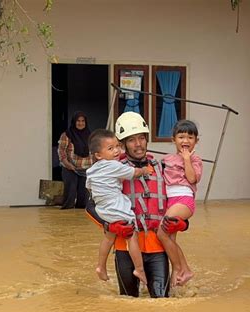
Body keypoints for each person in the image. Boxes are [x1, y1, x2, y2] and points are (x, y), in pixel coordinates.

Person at [86, 112, 189, 298]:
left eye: (142, 138)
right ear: (123, 144)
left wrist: (183, 224)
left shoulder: (163, 167)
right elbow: (91, 207)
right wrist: (109, 225)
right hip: (125, 247)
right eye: (132, 140)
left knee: (161, 301)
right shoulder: (111, 169)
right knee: (128, 301)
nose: (138, 143)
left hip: (157, 247)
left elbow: (180, 200)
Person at [86, 129, 150, 285]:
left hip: (102, 208)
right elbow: (133, 172)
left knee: (109, 237)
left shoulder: (91, 170)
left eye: (117, 146)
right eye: (110, 148)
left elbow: (89, 187)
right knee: (132, 235)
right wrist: (145, 170)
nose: (116, 151)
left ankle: (101, 266)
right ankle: (139, 269)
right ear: (99, 155)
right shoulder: (113, 166)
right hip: (116, 207)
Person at [157, 120, 202, 287]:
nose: (185, 141)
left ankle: (182, 268)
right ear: (173, 139)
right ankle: (177, 278)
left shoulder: (195, 160)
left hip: (184, 200)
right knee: (170, 240)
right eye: (181, 136)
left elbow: (191, 178)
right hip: (170, 202)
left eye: (190, 137)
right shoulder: (166, 159)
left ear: (196, 141)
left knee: (161, 233)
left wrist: (187, 159)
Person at [57, 111, 92, 209]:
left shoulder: (90, 135)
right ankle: (68, 219)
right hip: (70, 168)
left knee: (83, 197)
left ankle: (79, 221)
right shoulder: (67, 135)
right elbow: (61, 151)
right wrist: (67, 164)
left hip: (85, 168)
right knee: (70, 194)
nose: (80, 123)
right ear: (74, 122)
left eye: (83, 121)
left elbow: (93, 152)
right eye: (78, 121)